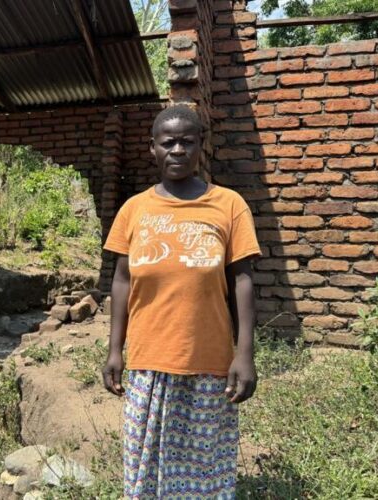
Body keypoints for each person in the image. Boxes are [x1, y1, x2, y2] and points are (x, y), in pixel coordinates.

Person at [102, 104, 261, 499]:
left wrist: (245, 355)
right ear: (152, 148)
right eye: (167, 142)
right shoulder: (134, 210)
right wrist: (114, 349)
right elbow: (121, 281)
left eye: (186, 142)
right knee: (144, 463)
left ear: (200, 146)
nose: (177, 150)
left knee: (202, 464)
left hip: (207, 359)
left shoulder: (228, 206)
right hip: (146, 358)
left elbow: (242, 281)